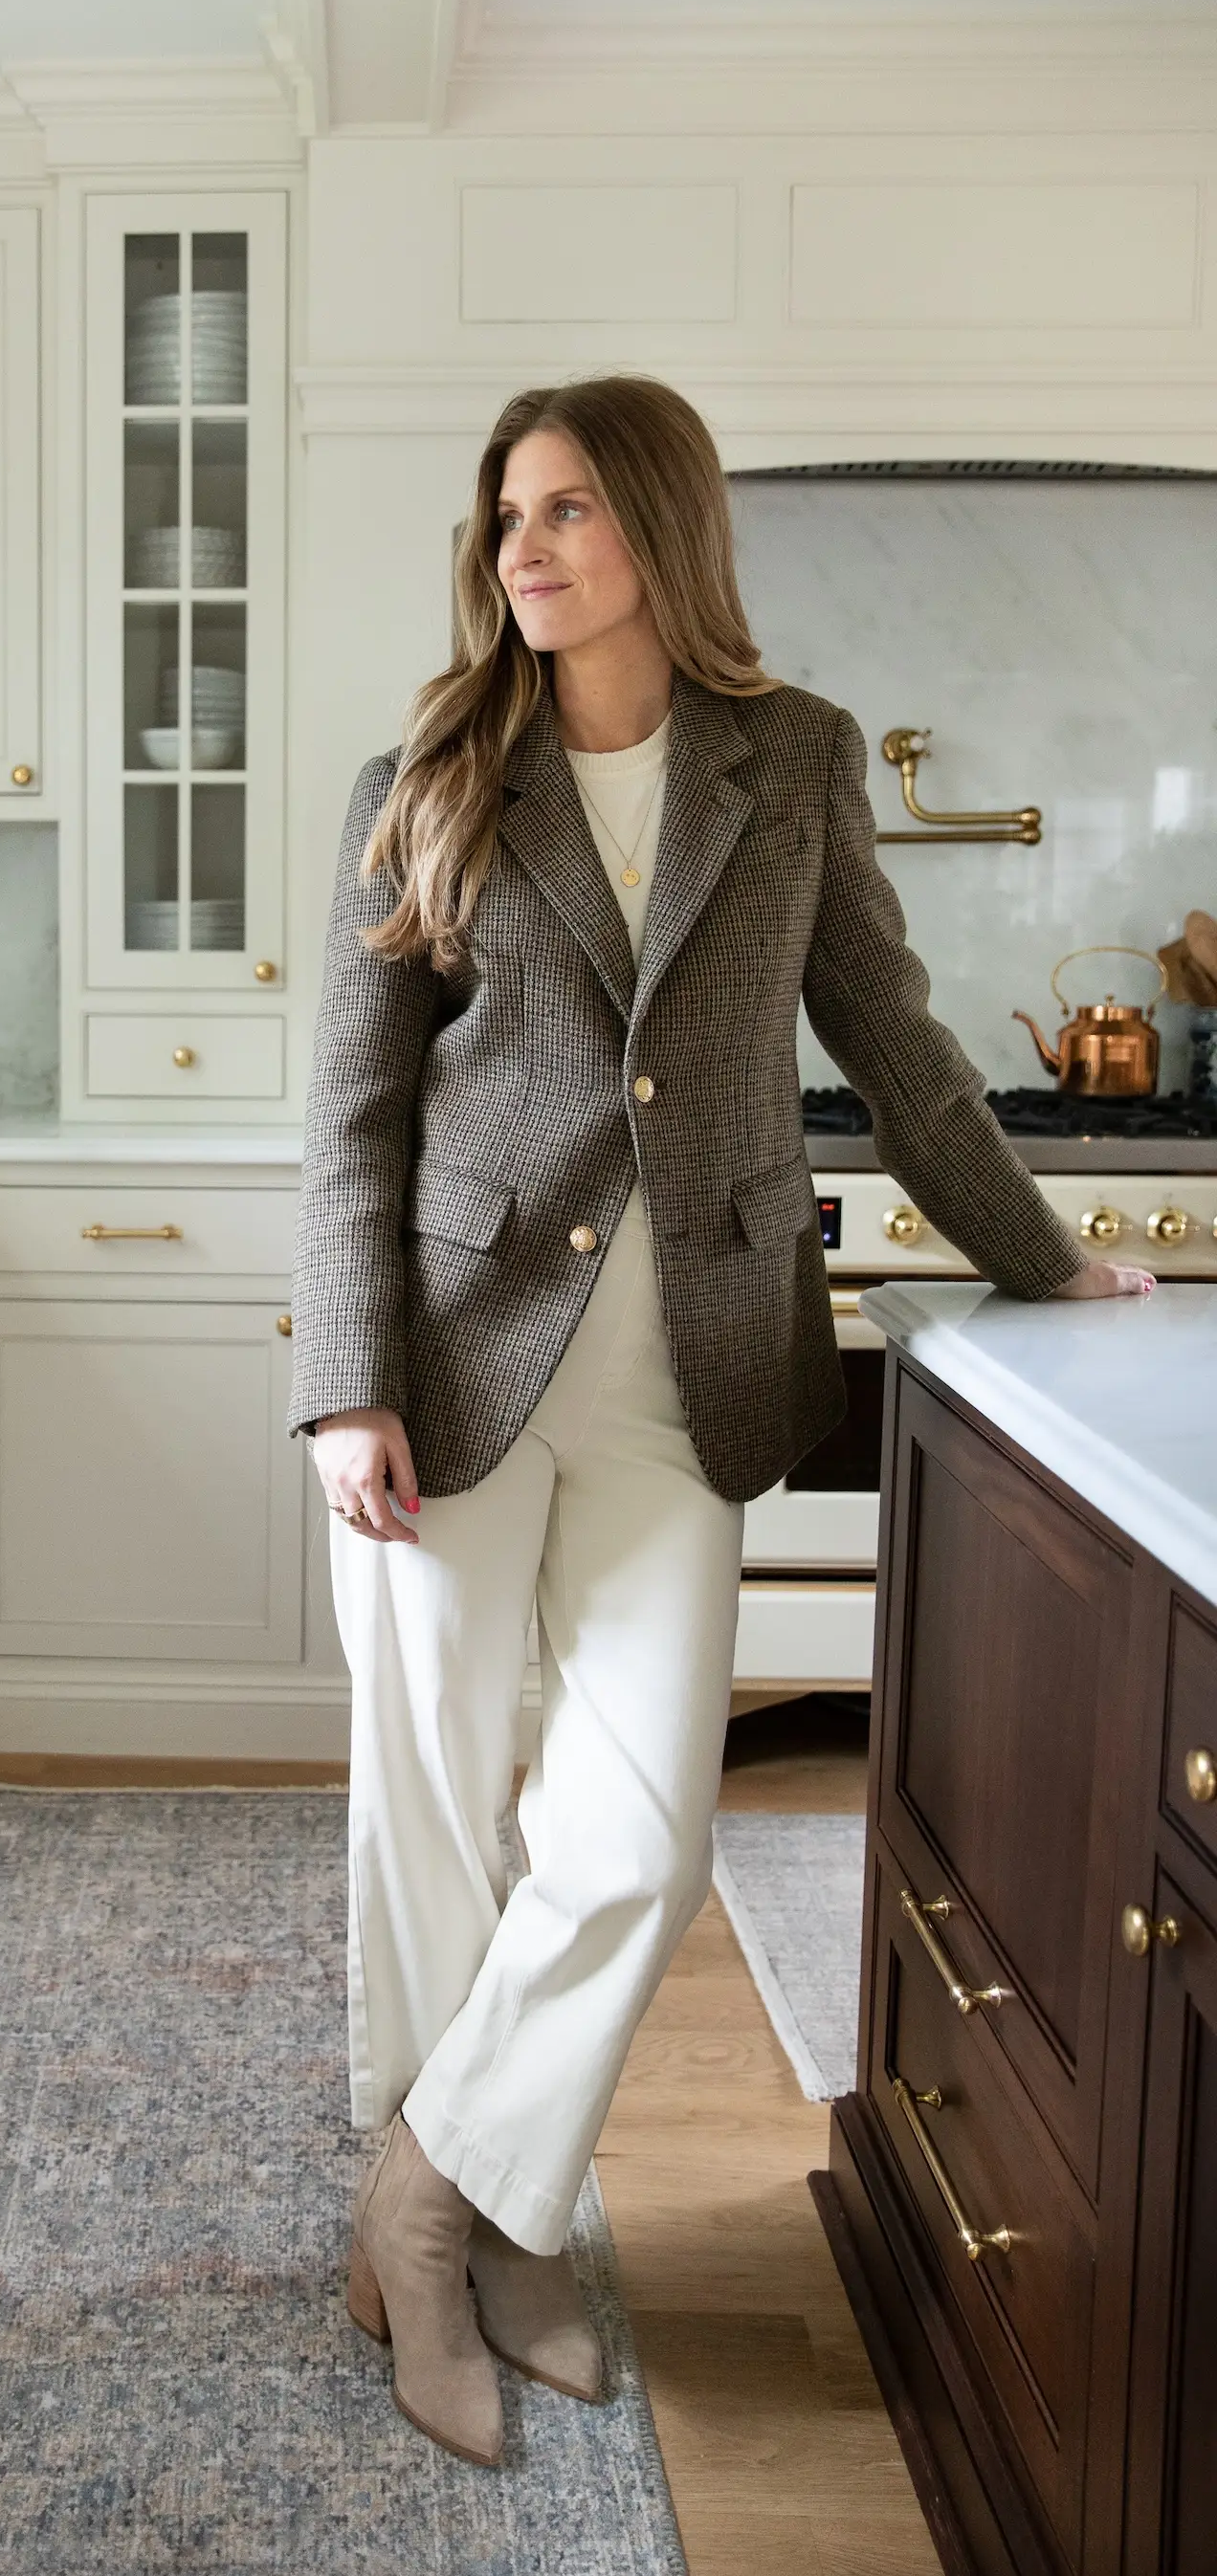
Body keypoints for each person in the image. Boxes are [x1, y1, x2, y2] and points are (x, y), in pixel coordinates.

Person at [286, 373, 1153, 2470]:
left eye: (569, 508)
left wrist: (1039, 1258)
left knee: (637, 1837)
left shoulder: (794, 761)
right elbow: (345, 1105)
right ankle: (493, 2244)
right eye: (507, 512)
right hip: (446, 1364)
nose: (524, 547)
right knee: (430, 1811)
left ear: (661, 532)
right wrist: (343, 1383)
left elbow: (901, 1044)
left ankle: (426, 2200)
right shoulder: (428, 771)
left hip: (695, 1373)